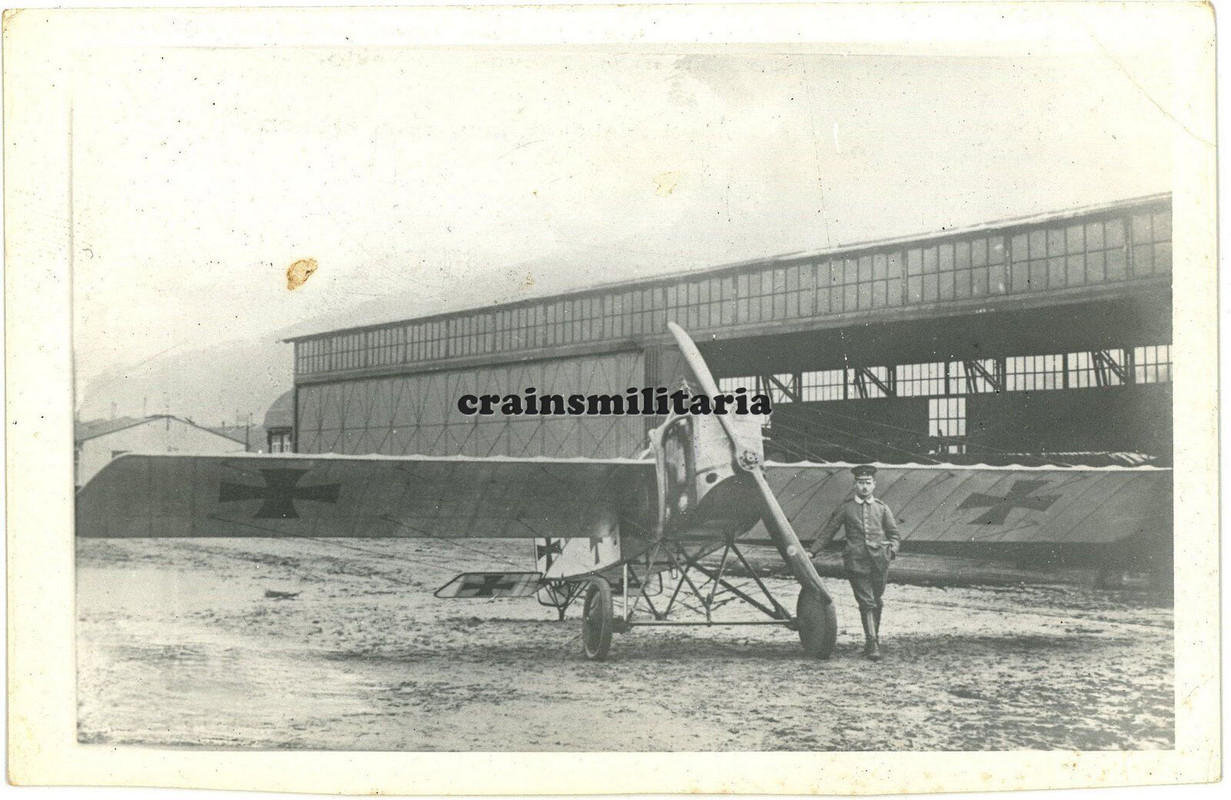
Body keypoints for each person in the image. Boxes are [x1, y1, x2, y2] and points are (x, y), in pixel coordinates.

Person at [808, 464, 900, 660]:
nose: (864, 487)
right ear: (855, 484)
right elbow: (828, 532)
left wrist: (892, 550)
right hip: (856, 562)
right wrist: (812, 551)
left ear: (874, 484)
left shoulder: (882, 508)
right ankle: (873, 644)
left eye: (868, 483)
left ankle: (871, 641)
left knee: (877, 601)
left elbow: (894, 534)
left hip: (880, 562)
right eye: (861, 483)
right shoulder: (846, 508)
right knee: (867, 602)